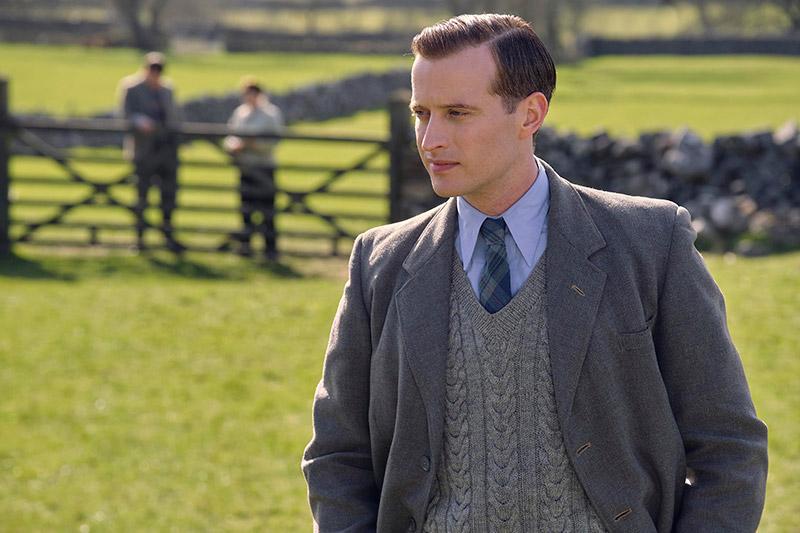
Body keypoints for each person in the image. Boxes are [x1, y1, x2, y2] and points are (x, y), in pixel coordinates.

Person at [302, 13, 768, 533]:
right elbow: (337, 456)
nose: (430, 138)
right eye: (422, 113)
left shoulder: (651, 242)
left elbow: (729, 446)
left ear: (530, 115)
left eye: (457, 113)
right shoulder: (380, 262)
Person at [119, 51, 182, 252]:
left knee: (168, 196)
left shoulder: (167, 90)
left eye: (159, 70)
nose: (155, 73)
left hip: (166, 151)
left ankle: (167, 236)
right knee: (142, 196)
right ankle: (140, 239)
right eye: (152, 69)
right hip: (144, 150)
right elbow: (125, 115)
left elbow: (174, 117)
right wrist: (139, 121)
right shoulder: (131, 87)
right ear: (145, 69)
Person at [224, 77, 284, 259]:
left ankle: (270, 249)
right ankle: (246, 246)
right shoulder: (240, 113)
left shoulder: (270, 114)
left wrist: (252, 144)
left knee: (267, 209)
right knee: (246, 208)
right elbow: (230, 135)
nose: (250, 97)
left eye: (253, 93)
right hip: (246, 168)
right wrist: (233, 146)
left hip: (264, 167)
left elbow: (274, 140)